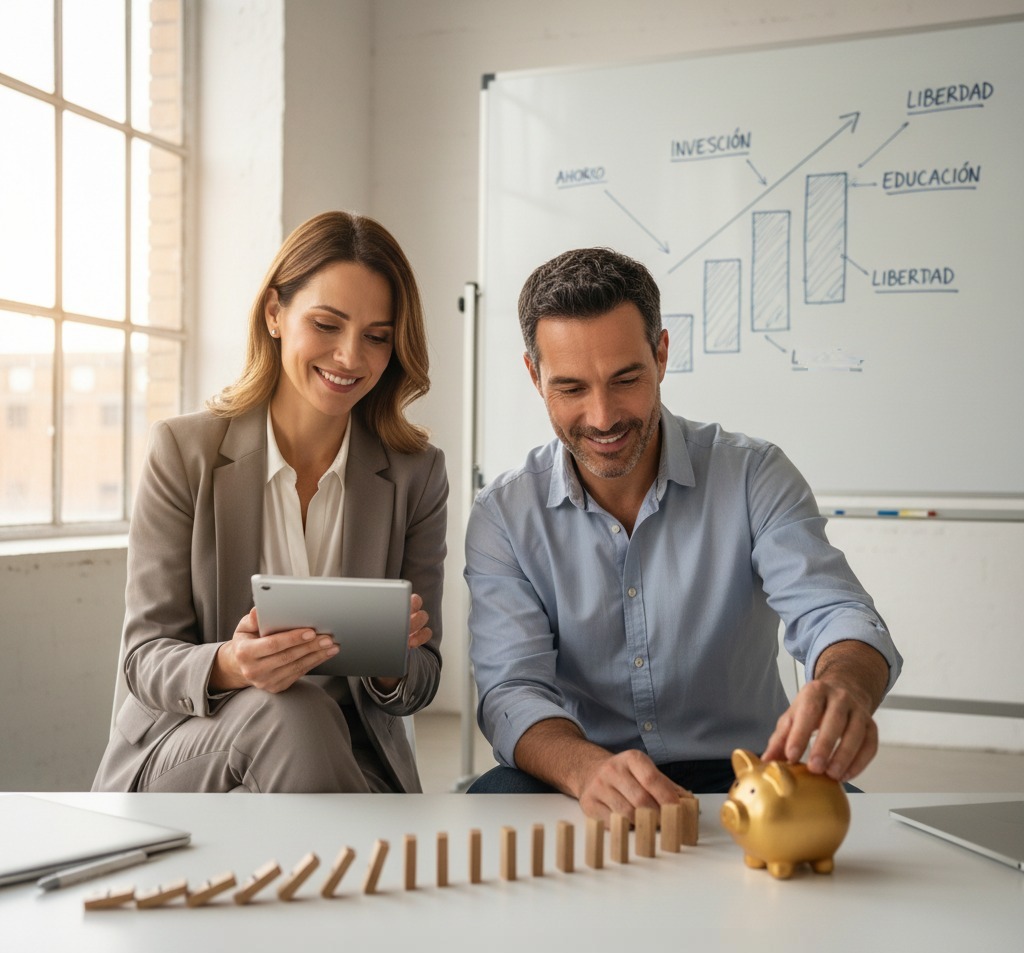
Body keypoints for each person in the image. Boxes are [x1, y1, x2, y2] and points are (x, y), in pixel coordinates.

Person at [464, 247, 902, 820]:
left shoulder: (752, 474)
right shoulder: (503, 515)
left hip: (747, 766)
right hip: (582, 769)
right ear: (533, 374)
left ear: (662, 354)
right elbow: (511, 691)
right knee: (489, 810)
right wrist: (586, 769)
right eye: (571, 388)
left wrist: (845, 688)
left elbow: (835, 613)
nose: (602, 418)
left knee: (860, 839)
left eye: (626, 379)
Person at [93, 211, 447, 793]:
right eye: (327, 325)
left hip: (348, 754)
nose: (350, 358)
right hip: (196, 741)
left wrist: (394, 662)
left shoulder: (417, 473)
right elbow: (144, 658)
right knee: (293, 709)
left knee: (311, 722)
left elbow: (421, 681)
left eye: (377, 337)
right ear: (275, 314)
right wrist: (231, 665)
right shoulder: (185, 452)